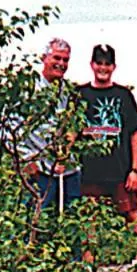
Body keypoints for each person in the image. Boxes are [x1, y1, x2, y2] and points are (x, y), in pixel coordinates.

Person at [77, 44, 137, 239]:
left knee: (131, 213)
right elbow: (71, 131)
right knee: (89, 219)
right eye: (99, 63)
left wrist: (135, 170)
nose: (103, 68)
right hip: (89, 171)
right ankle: (88, 264)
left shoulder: (123, 95)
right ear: (92, 65)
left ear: (113, 67)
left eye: (107, 64)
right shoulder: (80, 95)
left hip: (120, 170)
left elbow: (134, 134)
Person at [23, 37, 81, 215]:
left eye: (65, 60)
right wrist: (26, 160)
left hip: (68, 171)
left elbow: (75, 124)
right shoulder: (28, 90)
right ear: (44, 58)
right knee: (35, 221)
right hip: (39, 170)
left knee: (72, 222)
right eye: (56, 58)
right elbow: (8, 130)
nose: (61, 63)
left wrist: (66, 150)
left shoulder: (70, 92)